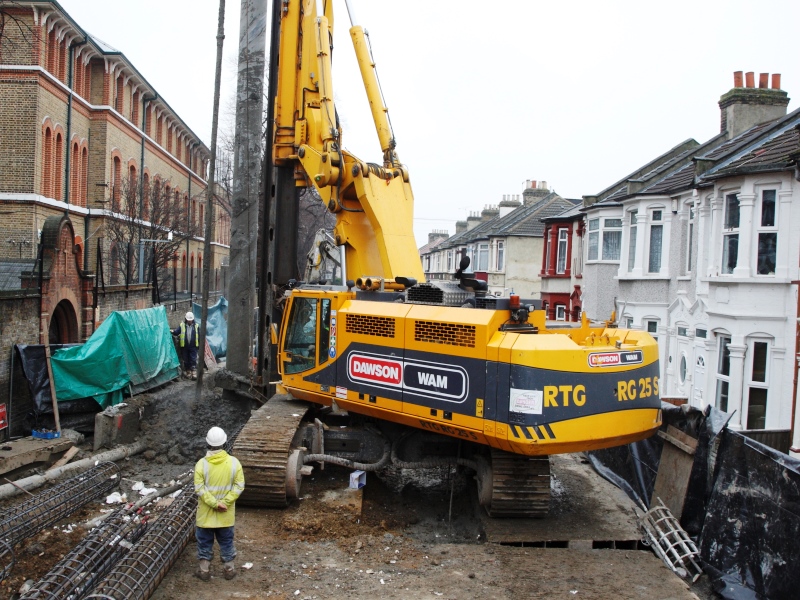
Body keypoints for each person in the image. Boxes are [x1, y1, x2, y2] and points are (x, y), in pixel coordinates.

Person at [194, 426, 245, 581]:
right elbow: (239, 486)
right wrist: (225, 502)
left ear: (208, 443)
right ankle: (229, 570)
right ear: (224, 442)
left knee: (204, 544)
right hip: (225, 515)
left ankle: (204, 571)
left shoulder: (201, 465)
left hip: (205, 517)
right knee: (226, 542)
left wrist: (214, 503)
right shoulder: (234, 463)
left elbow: (200, 489)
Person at [172, 311, 200, 379]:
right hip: (185, 346)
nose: (189, 321)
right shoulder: (182, 325)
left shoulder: (196, 326)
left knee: (193, 359)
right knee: (186, 359)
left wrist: (199, 344)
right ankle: (188, 371)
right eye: (188, 320)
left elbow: (199, 335)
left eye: (190, 320)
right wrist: (172, 332)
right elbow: (176, 332)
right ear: (186, 319)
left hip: (193, 346)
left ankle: (193, 371)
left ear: (192, 319)